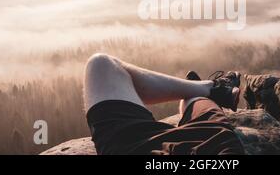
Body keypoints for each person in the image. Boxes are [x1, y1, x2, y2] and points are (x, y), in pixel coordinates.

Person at [83, 53, 245, 155]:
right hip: (207, 146)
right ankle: (210, 90)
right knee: (198, 102)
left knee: (101, 65)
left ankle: (207, 88)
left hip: (133, 145)